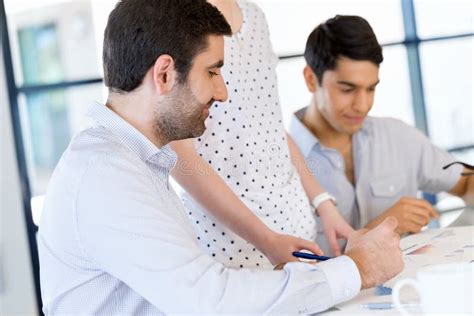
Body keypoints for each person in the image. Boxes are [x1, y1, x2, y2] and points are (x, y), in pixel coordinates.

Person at [38, 1, 403, 314]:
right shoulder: (106, 178)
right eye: (212, 72)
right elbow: (210, 301)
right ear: (164, 74)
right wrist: (357, 269)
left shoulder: (137, 163)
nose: (223, 92)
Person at [171, 0, 352, 269]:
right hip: (231, 249)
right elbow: (178, 154)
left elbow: (269, 125)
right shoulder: (175, 18)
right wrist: (266, 240)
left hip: (298, 235)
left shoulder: (255, 16)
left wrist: (323, 203)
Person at [289, 15, 474, 255]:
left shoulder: (397, 137)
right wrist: (381, 228)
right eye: (347, 89)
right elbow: (294, 275)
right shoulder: (281, 163)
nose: (363, 105)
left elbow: (467, 181)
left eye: (371, 88)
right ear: (311, 80)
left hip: (415, 287)